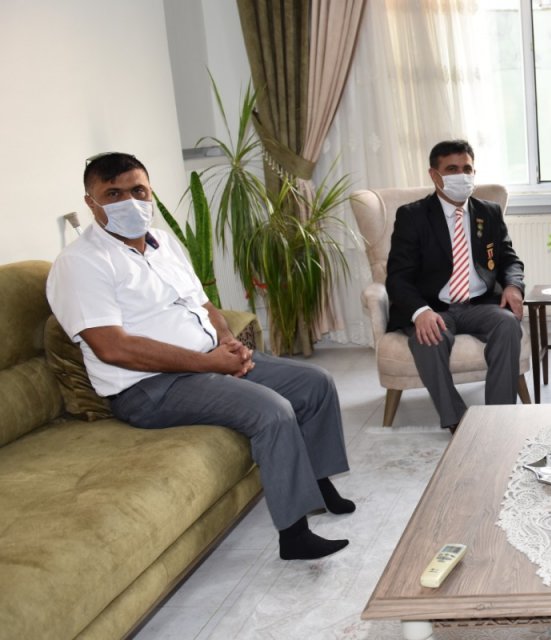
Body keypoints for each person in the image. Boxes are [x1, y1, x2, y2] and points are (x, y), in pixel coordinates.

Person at [47, 152, 355, 561]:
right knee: (273, 411)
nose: (130, 202)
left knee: (314, 383)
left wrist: (227, 342)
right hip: (149, 388)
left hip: (206, 361)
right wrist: (211, 363)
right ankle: (295, 535)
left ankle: (318, 482)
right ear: (91, 202)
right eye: (113, 194)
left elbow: (203, 303)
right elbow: (112, 347)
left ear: (151, 191)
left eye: (138, 190)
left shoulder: (164, 241)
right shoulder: (79, 263)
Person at [385, 139, 525, 432]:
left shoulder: (489, 212)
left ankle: (499, 417)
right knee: (428, 338)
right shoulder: (412, 216)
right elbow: (397, 277)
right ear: (434, 175)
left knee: (508, 325)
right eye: (452, 169)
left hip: (479, 303)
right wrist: (420, 312)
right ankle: (458, 422)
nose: (462, 176)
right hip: (433, 307)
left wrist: (513, 286)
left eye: (467, 169)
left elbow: (509, 259)